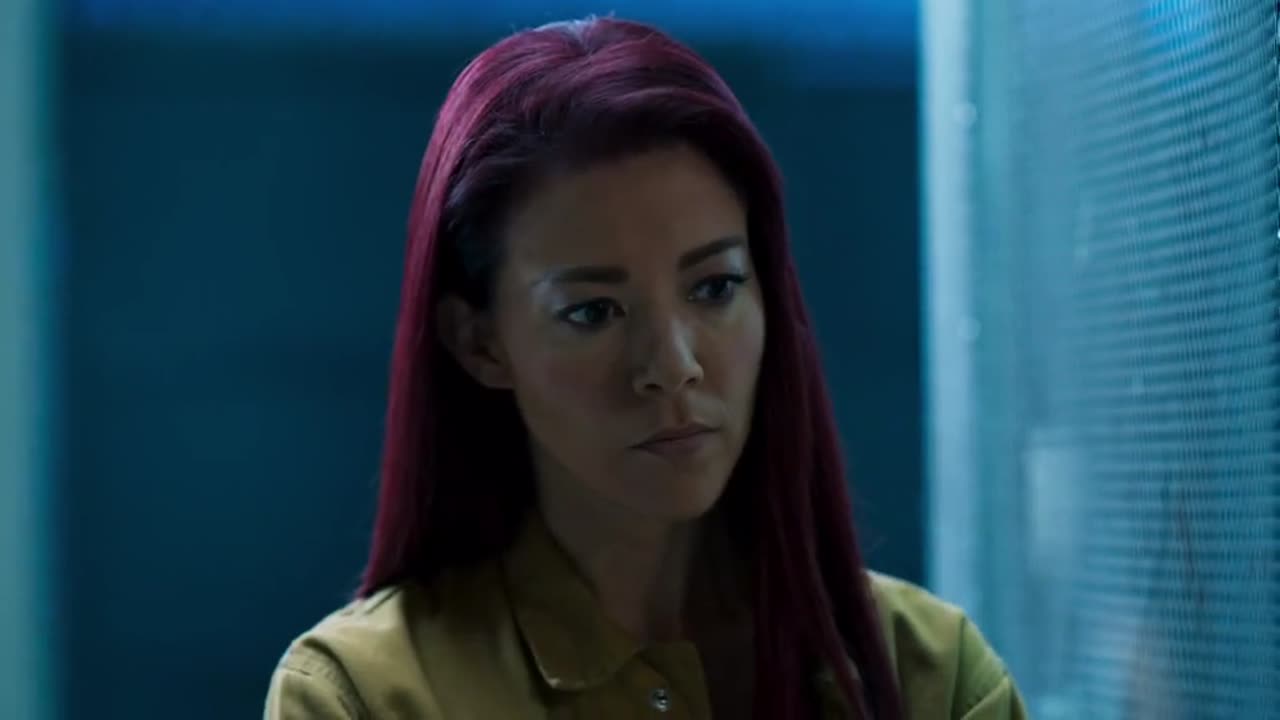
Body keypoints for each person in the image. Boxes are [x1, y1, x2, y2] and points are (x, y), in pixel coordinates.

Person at [264, 16, 1026, 720]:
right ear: (480, 344)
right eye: (593, 311)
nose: (673, 366)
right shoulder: (365, 695)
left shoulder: (926, 673)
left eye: (714, 288)